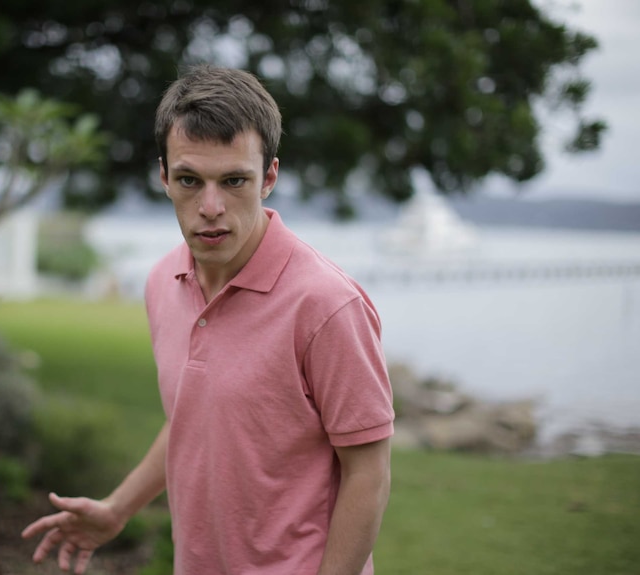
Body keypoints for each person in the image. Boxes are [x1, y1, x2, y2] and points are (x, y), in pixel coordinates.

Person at [22, 64, 395, 575]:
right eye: (190, 181)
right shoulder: (161, 282)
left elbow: (368, 472)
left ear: (269, 177)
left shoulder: (327, 306)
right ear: (164, 178)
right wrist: (117, 509)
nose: (211, 207)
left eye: (234, 180)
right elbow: (191, 420)